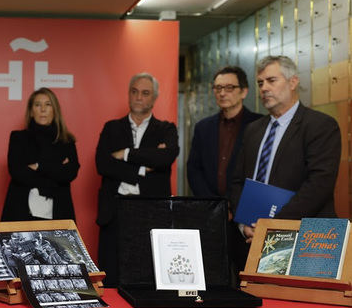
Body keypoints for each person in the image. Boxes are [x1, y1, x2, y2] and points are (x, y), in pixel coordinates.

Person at [229, 55, 341, 267]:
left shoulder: (320, 126)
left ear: (293, 82)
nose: (264, 88)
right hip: (251, 239)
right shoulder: (253, 130)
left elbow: (319, 185)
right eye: (260, 83)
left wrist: (272, 226)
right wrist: (244, 223)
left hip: (306, 241)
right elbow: (237, 181)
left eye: (272, 81)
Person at [95, 72, 179, 286]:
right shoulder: (111, 127)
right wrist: (142, 169)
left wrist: (125, 154)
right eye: (134, 92)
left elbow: (166, 157)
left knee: (148, 277)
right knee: (111, 277)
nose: (139, 97)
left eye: (145, 93)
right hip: (113, 213)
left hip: (151, 213)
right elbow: (103, 164)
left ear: (154, 98)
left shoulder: (166, 129)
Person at [1, 87, 80, 221]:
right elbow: (17, 172)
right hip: (20, 214)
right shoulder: (18, 138)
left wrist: (38, 166)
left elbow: (70, 173)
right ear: (31, 111)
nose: (43, 109)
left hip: (58, 214)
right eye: (38, 105)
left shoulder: (67, 141)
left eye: (48, 104)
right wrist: (56, 170)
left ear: (55, 110)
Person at [187, 66, 262, 197]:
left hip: (244, 208)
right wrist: (212, 204)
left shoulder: (259, 125)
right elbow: (194, 170)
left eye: (229, 88)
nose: (222, 93)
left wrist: (234, 205)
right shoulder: (203, 127)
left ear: (244, 92)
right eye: (218, 88)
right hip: (209, 208)